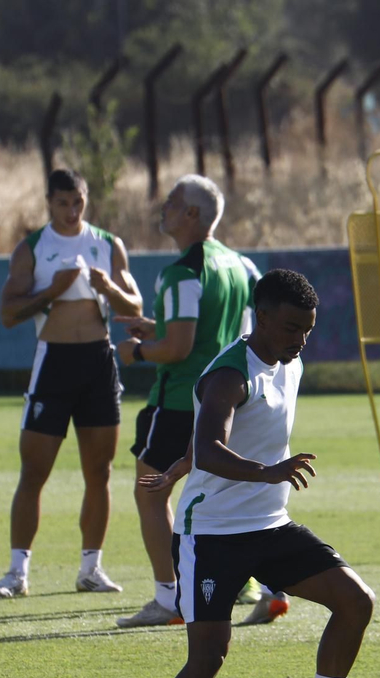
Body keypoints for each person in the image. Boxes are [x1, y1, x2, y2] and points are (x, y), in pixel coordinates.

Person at [133, 270, 380, 678]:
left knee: (356, 601)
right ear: (260, 318)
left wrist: (178, 469)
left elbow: (206, 446)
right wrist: (266, 472)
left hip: (269, 526)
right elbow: (212, 444)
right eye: (292, 328)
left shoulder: (288, 362)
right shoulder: (229, 373)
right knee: (208, 657)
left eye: (309, 330)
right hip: (211, 535)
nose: (301, 340)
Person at [0, 168, 142, 599]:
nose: (72, 211)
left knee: (100, 471)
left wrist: (109, 287)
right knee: (34, 470)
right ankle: (17, 572)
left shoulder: (107, 245)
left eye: (79, 201)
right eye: (63, 203)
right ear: (48, 203)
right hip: (53, 363)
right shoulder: (33, 248)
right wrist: (51, 293)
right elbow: (7, 313)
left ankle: (91, 569)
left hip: (98, 362)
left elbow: (134, 306)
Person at [112, 175, 255, 628]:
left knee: (151, 493)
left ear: (192, 214)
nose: (164, 208)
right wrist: (156, 329)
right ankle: (240, 585)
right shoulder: (235, 263)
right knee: (220, 495)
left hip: (180, 399)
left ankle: (168, 597)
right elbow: (209, 331)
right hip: (230, 397)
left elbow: (178, 349)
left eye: (172, 202)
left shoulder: (182, 272)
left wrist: (136, 351)